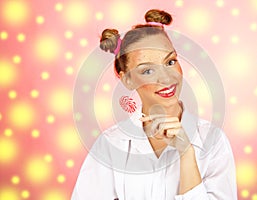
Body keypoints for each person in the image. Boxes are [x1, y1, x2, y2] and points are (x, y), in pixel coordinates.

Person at [71, 9, 237, 200]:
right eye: (148, 71)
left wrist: (187, 153)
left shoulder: (213, 142)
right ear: (127, 80)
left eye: (170, 61)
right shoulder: (111, 145)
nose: (167, 77)